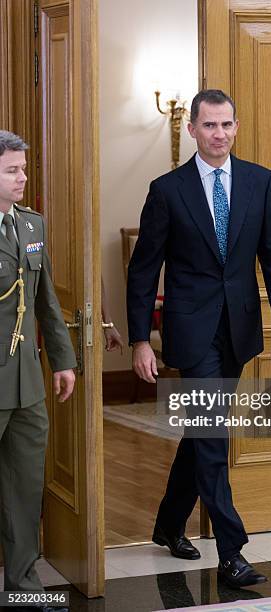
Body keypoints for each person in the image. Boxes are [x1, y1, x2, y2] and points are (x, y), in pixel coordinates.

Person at [127, 90, 271, 588]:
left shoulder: (259, 182)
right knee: (212, 434)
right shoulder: (167, 190)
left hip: (239, 330)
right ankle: (231, 551)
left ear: (236, 127)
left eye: (226, 125)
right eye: (209, 126)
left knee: (202, 431)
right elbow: (144, 270)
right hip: (191, 330)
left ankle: (167, 523)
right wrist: (141, 339)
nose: (218, 134)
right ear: (193, 129)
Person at [0, 130, 76, 611]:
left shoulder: (31, 226)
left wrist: (64, 360)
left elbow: (45, 299)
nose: (23, 177)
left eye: (23, 169)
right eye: (12, 170)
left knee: (25, 491)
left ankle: (23, 589)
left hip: (26, 381)